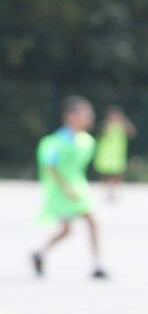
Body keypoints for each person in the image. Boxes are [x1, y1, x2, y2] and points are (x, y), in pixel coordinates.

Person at [32, 97, 107, 279]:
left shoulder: (87, 142)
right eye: (85, 114)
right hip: (60, 191)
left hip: (77, 188)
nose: (90, 118)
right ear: (71, 116)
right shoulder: (53, 142)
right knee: (73, 227)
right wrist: (65, 189)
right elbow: (51, 167)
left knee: (82, 224)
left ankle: (96, 263)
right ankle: (41, 254)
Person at [92, 107, 135, 201]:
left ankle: (115, 192)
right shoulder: (106, 125)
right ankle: (107, 192)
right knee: (106, 174)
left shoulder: (122, 126)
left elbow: (132, 132)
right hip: (106, 154)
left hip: (117, 154)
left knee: (117, 174)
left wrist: (124, 121)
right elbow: (103, 133)